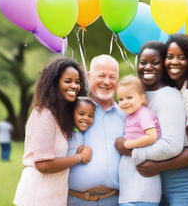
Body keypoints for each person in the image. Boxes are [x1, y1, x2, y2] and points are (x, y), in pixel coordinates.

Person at [136, 34, 188, 206]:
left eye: (182, 57)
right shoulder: (177, 90)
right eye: (169, 56)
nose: (174, 62)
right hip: (171, 180)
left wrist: (158, 166)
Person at [115, 41, 186, 205]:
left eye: (155, 62)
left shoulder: (168, 96)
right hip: (131, 189)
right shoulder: (140, 96)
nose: (148, 67)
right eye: (143, 62)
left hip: (143, 190)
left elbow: (170, 145)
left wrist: (128, 148)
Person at [13, 57, 91, 206]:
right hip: (37, 197)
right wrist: (78, 158)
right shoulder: (44, 115)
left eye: (77, 81)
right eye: (68, 81)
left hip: (53, 197)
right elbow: (43, 164)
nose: (75, 86)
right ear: (54, 83)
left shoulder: (58, 115)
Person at [67, 54, 126, 206]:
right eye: (101, 76)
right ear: (88, 77)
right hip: (75, 201)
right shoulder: (72, 111)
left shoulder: (125, 116)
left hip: (114, 200)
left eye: (112, 77)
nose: (107, 82)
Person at [117, 75, 162, 206]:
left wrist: (127, 144)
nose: (125, 102)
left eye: (129, 97)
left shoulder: (144, 114)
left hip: (141, 188)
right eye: (120, 99)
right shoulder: (131, 115)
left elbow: (151, 136)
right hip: (130, 184)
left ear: (142, 98)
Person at [68, 96, 96, 184]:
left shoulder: (84, 132)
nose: (86, 118)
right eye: (81, 114)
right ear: (72, 113)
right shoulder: (68, 133)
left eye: (90, 115)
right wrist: (79, 150)